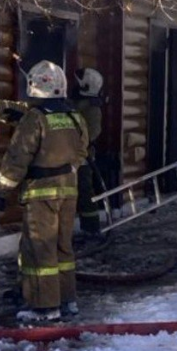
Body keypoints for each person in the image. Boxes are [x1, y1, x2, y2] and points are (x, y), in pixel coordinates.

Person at [0, 60, 89, 322]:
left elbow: (17, 158)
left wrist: (2, 190)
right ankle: (67, 300)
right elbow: (81, 151)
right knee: (63, 248)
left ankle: (45, 307)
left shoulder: (35, 119)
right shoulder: (74, 117)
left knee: (40, 248)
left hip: (40, 194)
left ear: (34, 86)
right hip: (69, 191)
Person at [73, 67, 104, 239]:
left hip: (82, 157)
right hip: (69, 154)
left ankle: (91, 229)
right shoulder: (75, 103)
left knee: (85, 192)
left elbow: (93, 132)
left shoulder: (92, 108)